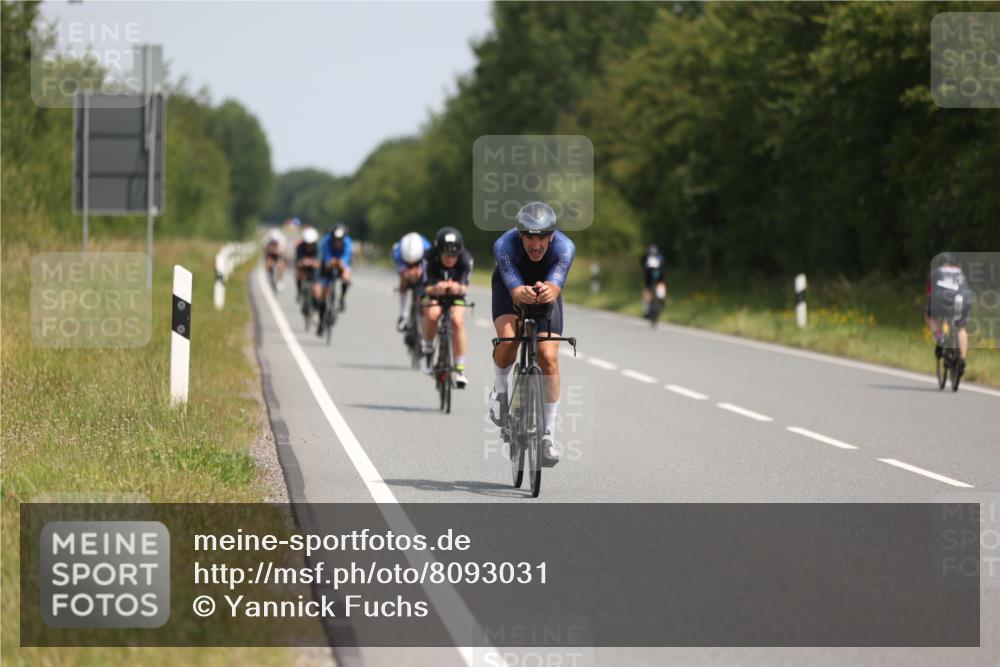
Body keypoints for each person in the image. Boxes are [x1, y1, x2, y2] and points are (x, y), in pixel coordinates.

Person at [489, 202, 575, 467]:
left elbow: (555, 286)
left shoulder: (565, 248)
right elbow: (515, 292)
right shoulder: (504, 245)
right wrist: (519, 291)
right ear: (520, 235)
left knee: (548, 357)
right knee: (510, 339)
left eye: (542, 238)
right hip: (509, 288)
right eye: (530, 238)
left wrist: (548, 290)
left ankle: (548, 435)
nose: (536, 245)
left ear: (552, 236)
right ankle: (500, 389)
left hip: (545, 293)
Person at [420, 227, 473, 387]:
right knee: (432, 314)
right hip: (433, 293)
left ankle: (460, 368)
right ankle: (428, 350)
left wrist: (458, 287)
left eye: (454, 255)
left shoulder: (466, 259)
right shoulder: (428, 257)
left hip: (456, 295)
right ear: (439, 251)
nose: (450, 259)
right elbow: (425, 287)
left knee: (457, 321)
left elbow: (465, 286)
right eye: (446, 255)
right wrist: (436, 288)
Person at [925, 254, 973, 379]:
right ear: (954, 264)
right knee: (961, 328)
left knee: (931, 316)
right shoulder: (960, 272)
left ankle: (939, 338)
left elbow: (929, 292)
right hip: (963, 298)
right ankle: (962, 359)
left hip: (941, 298)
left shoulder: (936, 272)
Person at [317, 223, 353, 335]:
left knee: (346, 277)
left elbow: (347, 256)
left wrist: (342, 263)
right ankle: (321, 322)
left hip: (342, 262)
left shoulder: (348, 242)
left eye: (340, 240)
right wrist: (330, 262)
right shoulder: (326, 241)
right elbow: (326, 256)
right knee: (324, 293)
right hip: (328, 263)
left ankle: (342, 298)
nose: (338, 242)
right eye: (335, 240)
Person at [392, 232, 432, 332]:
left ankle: (426, 305)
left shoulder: (427, 248)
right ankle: (403, 315)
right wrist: (405, 272)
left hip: (422, 262)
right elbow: (398, 266)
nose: (412, 263)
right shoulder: (397, 251)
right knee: (403, 281)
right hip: (404, 264)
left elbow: (431, 264)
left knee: (427, 284)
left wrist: (421, 270)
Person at [294, 226, 322, 309]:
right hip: (303, 267)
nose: (309, 246)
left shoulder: (318, 247)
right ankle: (299, 291)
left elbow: (318, 263)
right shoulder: (300, 247)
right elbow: (298, 262)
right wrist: (303, 262)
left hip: (314, 269)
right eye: (307, 244)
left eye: (311, 244)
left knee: (316, 288)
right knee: (298, 274)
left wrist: (310, 262)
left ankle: (316, 304)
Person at [641, 243, 666, 316]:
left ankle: (648, 308)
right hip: (656, 275)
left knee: (648, 288)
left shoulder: (647, 256)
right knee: (660, 284)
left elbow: (643, 266)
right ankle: (661, 298)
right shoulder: (659, 256)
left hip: (652, 276)